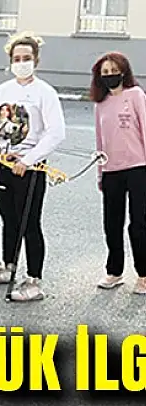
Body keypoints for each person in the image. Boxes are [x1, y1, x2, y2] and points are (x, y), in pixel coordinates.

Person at [0, 32, 66, 301]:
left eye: (27, 58)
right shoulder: (2, 91)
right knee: (9, 220)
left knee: (29, 223)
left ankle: (34, 280)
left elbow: (55, 133)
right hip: (2, 163)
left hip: (29, 167)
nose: (21, 62)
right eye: (17, 58)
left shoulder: (45, 92)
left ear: (36, 60)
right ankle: (8, 266)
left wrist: (28, 160)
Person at [89, 52, 146, 294]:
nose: (110, 75)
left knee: (139, 224)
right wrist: (100, 173)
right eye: (105, 72)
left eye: (114, 71)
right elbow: (100, 142)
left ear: (123, 72)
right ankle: (114, 271)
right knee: (112, 223)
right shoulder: (100, 104)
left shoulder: (135, 95)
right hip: (111, 170)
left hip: (138, 168)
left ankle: (143, 274)